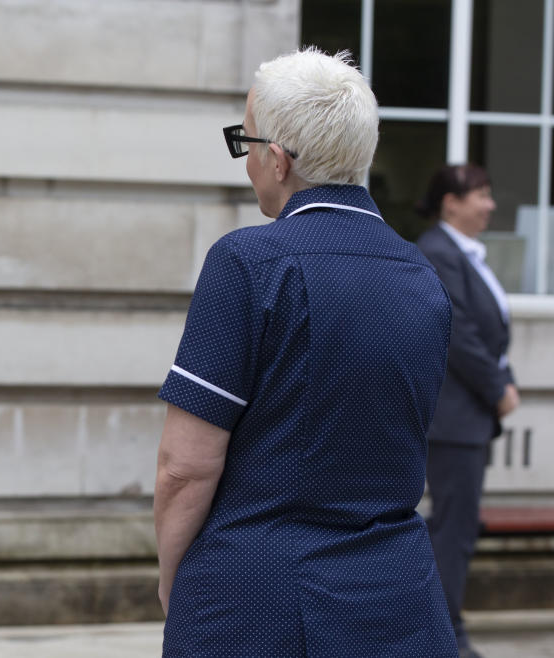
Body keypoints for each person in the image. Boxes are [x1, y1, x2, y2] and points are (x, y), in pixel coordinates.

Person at [153, 48, 457, 656]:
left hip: (254, 595)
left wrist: (174, 582)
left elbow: (184, 466)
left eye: (246, 144)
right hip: (400, 599)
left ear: (279, 159)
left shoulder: (247, 262)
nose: (247, 166)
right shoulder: (423, 276)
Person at [416, 164, 519, 658]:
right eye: (480, 194)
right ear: (450, 203)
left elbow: (489, 334)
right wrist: (499, 388)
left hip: (466, 417)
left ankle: (443, 629)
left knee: (456, 526)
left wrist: (506, 378)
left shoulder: (464, 254)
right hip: (454, 416)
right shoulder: (439, 251)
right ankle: (444, 637)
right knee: (453, 529)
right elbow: (458, 331)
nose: (490, 204)